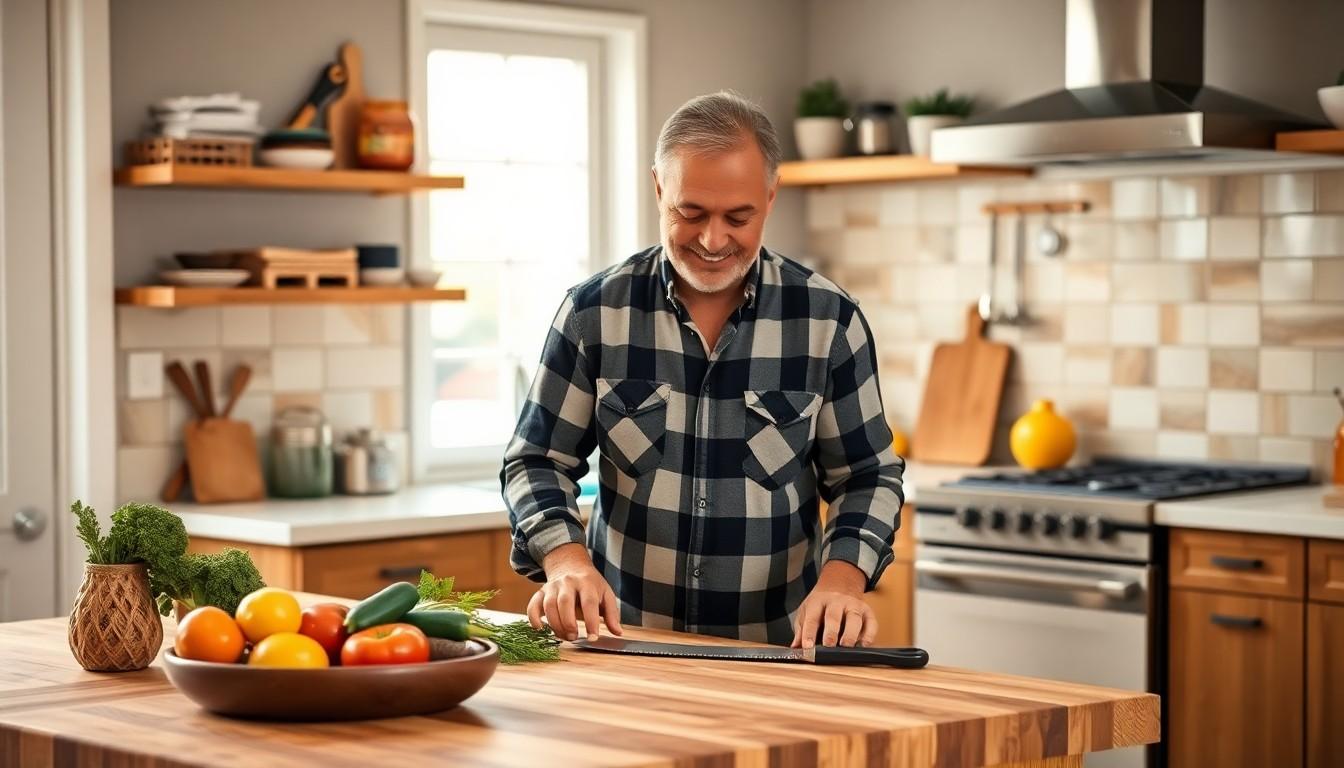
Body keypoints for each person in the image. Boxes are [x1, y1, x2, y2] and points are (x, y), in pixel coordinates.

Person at [501, 91, 904, 648]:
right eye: (690, 213)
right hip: (624, 645)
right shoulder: (594, 313)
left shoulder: (828, 321)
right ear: (659, 189)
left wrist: (842, 582)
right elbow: (536, 460)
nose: (714, 240)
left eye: (739, 217)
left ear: (771, 195)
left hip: (778, 653)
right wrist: (566, 562)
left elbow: (867, 475)